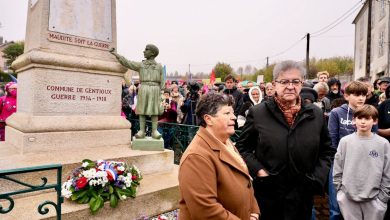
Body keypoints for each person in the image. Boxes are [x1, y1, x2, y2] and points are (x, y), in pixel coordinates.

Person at [236, 60, 334, 220]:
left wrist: (316, 178)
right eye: (284, 81)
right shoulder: (259, 113)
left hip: (302, 193)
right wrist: (260, 172)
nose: (290, 86)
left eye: (295, 81)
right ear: (274, 84)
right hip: (269, 193)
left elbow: (327, 149)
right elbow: (243, 147)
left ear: (302, 83)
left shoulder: (315, 114)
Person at [178, 92, 260, 220]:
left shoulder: (225, 141)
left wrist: (254, 211)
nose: (233, 117)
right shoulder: (196, 157)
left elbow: (245, 181)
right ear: (208, 119)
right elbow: (205, 210)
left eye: (232, 113)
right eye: (227, 113)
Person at [333, 105, 390, 219]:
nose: (363, 122)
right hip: (348, 198)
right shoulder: (345, 142)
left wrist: (382, 198)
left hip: (375, 200)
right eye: (360, 118)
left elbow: (387, 172)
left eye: (367, 118)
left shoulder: (383, 143)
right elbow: (338, 168)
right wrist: (341, 192)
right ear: (354, 120)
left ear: (374, 121)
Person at [327, 81, 373, 220]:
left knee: (358, 207)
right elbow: (332, 140)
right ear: (346, 96)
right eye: (357, 94)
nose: (361, 98)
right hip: (340, 164)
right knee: (336, 208)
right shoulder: (336, 113)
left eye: (364, 95)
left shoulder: (370, 112)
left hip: (363, 165)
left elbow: (373, 140)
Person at [111, 44, 164, 139]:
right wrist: (116, 55)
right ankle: (142, 131)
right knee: (142, 110)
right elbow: (128, 63)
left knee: (154, 110)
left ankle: (154, 131)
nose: (144, 51)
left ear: (152, 53)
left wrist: (161, 93)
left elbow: (162, 81)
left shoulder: (159, 66)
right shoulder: (141, 65)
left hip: (155, 89)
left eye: (146, 49)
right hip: (144, 88)